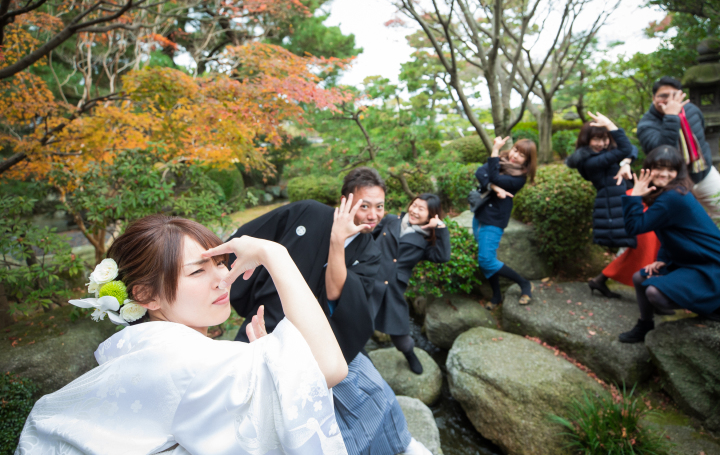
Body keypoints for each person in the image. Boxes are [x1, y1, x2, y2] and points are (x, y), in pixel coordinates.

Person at [17, 215, 348, 455]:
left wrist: (267, 370)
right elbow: (330, 368)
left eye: (220, 262)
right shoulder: (187, 361)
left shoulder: (147, 351)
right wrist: (274, 254)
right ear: (147, 296)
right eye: (198, 270)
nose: (223, 278)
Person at [229, 167, 430, 455]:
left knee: (375, 396)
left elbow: (338, 293)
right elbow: (252, 237)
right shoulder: (307, 212)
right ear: (345, 201)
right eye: (365, 205)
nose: (374, 214)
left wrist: (337, 241)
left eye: (380, 206)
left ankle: (400, 445)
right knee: (256, 409)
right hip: (267, 327)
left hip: (327, 341)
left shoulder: (369, 251)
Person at [618, 146, 720, 343]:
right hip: (695, 260)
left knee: (654, 293)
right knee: (640, 277)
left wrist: (635, 196)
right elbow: (671, 232)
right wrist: (662, 260)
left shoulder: (673, 196)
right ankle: (644, 325)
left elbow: (634, 227)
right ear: (648, 169)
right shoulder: (667, 193)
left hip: (718, 267)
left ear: (677, 173)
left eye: (670, 169)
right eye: (659, 168)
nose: (664, 173)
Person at [637, 76, 720, 223]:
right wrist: (671, 116)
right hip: (672, 182)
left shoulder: (692, 110)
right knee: (687, 224)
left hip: (702, 172)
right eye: (663, 96)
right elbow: (663, 154)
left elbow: (702, 138)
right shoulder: (646, 125)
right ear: (653, 97)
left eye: (675, 96)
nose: (670, 101)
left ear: (682, 95)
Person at [371, 193, 451, 374]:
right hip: (368, 280)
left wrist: (440, 227)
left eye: (421, 209)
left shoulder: (425, 241)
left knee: (400, 334)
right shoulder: (390, 220)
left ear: (431, 215)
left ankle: (410, 355)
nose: (414, 211)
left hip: (392, 288)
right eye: (414, 205)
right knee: (357, 324)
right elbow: (368, 239)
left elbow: (443, 256)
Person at [565, 112, 639, 298]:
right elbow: (625, 148)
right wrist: (611, 125)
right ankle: (648, 290)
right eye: (596, 139)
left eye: (605, 138)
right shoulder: (588, 161)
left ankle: (601, 280)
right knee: (640, 245)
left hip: (628, 199)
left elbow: (632, 149)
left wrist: (626, 163)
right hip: (617, 206)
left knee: (637, 247)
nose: (601, 143)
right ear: (586, 140)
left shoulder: (605, 153)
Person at [473, 136, 537, 309]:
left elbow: (493, 176)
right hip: (479, 215)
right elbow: (480, 172)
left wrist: (494, 151)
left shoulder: (519, 178)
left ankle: (524, 283)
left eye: (522, 155)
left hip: (494, 220)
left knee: (486, 260)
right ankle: (496, 296)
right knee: (488, 259)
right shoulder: (501, 160)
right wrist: (494, 188)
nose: (515, 156)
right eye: (515, 150)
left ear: (527, 161)